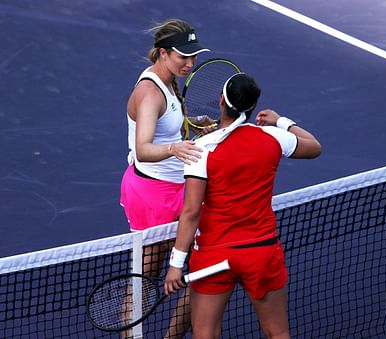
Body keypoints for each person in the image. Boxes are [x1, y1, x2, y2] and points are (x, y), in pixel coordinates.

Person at [164, 73, 321, 338]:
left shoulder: (200, 149)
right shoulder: (274, 137)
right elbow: (314, 146)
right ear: (253, 106)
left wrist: (176, 264)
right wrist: (281, 121)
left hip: (214, 254)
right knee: (278, 333)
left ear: (221, 101)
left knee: (205, 334)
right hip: (260, 252)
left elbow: (191, 212)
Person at [119, 18, 212, 339]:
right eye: (182, 56)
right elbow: (143, 148)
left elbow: (170, 123)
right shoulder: (149, 93)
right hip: (151, 194)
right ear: (162, 53)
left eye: (193, 56)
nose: (189, 63)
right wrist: (175, 147)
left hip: (180, 188)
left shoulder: (171, 82)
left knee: (203, 269)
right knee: (146, 277)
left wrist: (194, 124)